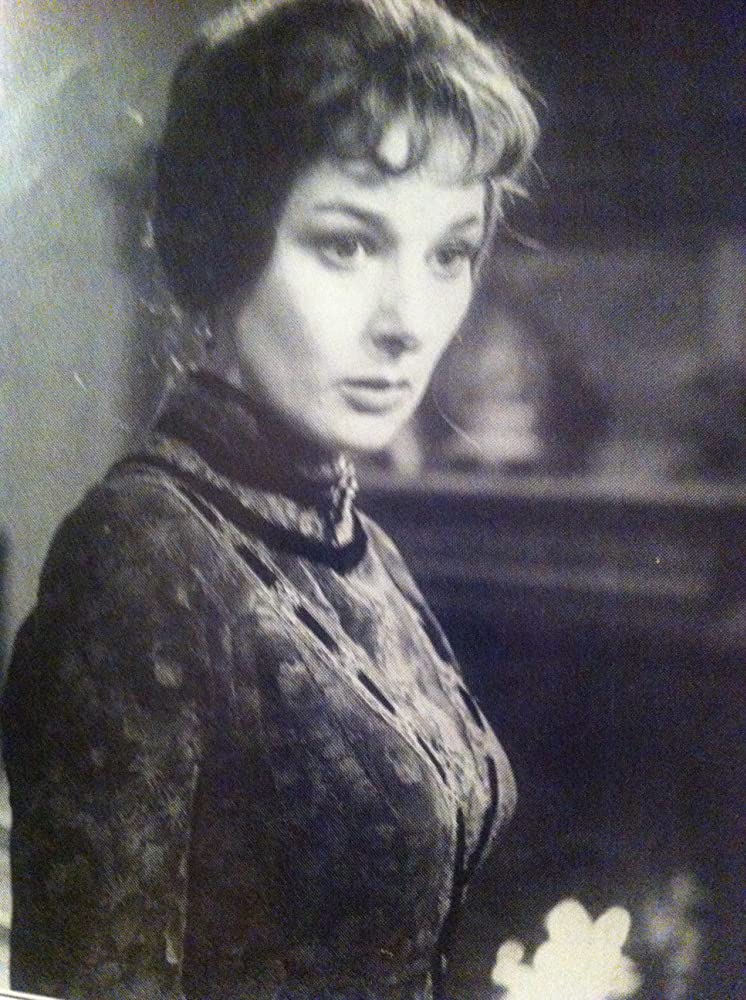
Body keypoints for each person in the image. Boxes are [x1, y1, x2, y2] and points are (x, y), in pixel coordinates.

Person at [1, 0, 538, 997]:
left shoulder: (363, 552)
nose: (406, 321)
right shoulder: (142, 556)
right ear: (222, 248)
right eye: (347, 244)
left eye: (448, 253)